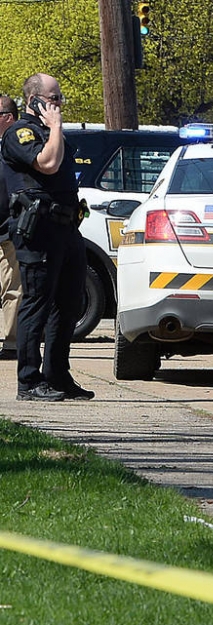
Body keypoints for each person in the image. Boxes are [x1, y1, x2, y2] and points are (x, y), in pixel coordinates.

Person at [1, 74, 92, 401]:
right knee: (37, 304)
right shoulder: (20, 133)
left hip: (67, 229)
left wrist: (54, 127)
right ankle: (28, 381)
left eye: (59, 98)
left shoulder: (50, 132)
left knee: (67, 305)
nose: (59, 104)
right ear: (35, 100)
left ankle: (57, 375)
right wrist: (54, 126)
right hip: (38, 230)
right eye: (53, 98)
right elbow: (48, 164)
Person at [0, 95, 23, 361]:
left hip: (9, 230)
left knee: (12, 288)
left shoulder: (18, 146)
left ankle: (12, 343)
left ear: (8, 117)